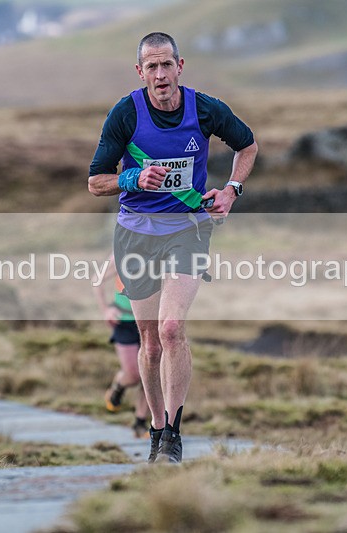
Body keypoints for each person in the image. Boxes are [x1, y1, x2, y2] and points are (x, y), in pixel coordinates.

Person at [88, 32, 258, 463]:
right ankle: (156, 429)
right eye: (152, 67)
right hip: (135, 233)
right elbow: (95, 182)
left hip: (188, 229)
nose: (160, 75)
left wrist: (232, 190)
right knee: (149, 342)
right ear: (140, 71)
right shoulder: (125, 114)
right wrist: (133, 179)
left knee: (170, 329)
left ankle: (173, 436)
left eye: (167, 65)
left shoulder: (204, 108)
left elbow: (247, 144)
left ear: (180, 67)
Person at [92, 252, 150, 438]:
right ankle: (118, 387)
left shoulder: (163, 247)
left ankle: (140, 423)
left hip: (151, 321)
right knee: (133, 374)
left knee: (150, 374)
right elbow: (97, 280)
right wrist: (105, 311)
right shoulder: (122, 252)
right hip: (125, 321)